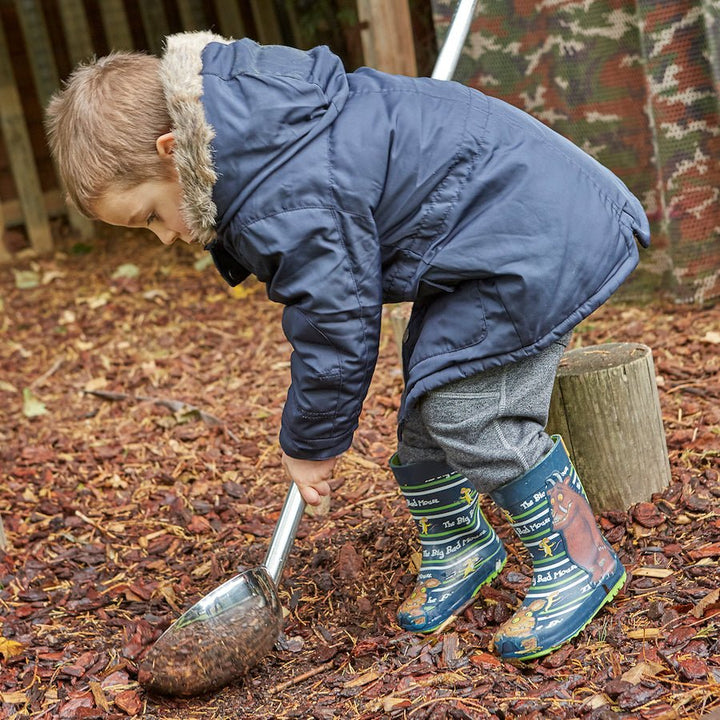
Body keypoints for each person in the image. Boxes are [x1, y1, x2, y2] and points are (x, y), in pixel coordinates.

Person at [45, 31, 649, 660]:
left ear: (172, 153)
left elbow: (335, 324)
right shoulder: (255, 130)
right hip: (486, 235)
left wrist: (310, 445)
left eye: (148, 216)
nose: (163, 238)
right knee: (427, 403)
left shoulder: (281, 187)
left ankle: (581, 560)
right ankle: (461, 545)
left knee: (468, 411)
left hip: (535, 236)